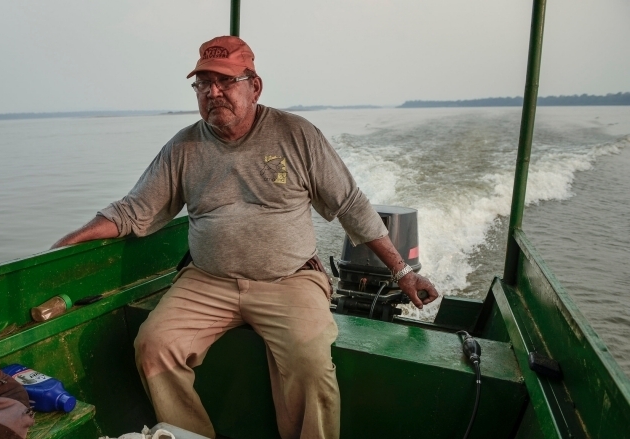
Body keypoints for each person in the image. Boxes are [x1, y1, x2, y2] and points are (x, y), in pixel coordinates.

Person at [52, 36, 438, 439]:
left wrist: (402, 272)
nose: (213, 92)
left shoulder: (297, 134)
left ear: (254, 86)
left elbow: (351, 205)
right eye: (203, 84)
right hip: (207, 281)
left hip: (290, 278)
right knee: (153, 345)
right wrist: (65, 244)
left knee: (309, 360)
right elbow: (133, 211)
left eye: (225, 81)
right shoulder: (183, 147)